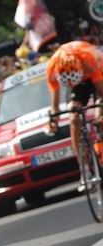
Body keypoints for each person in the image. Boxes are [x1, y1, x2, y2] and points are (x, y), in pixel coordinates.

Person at [47, 41, 103, 177]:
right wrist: (54, 121)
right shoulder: (52, 68)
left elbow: (101, 92)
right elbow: (54, 104)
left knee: (100, 108)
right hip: (79, 83)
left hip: (97, 73)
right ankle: (83, 168)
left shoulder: (89, 60)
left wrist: (99, 114)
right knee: (73, 114)